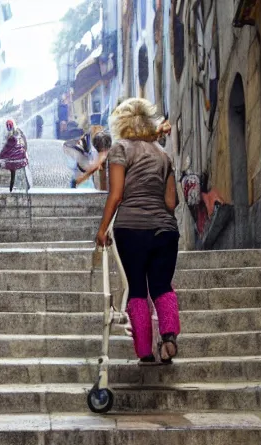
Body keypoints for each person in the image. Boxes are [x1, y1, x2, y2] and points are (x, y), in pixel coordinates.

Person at [95, 98, 180, 365]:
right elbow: (171, 203)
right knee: (162, 285)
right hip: (165, 231)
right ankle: (168, 337)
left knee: (137, 289)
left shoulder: (120, 149)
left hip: (132, 228)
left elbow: (117, 194)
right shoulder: (162, 154)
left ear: (122, 123)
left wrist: (102, 229)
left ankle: (144, 350)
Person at [0, 120, 33, 193]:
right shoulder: (17, 132)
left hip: (17, 157)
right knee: (19, 171)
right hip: (19, 156)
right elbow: (23, 142)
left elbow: (7, 147)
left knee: (15, 172)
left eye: (9, 126)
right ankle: (19, 187)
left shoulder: (13, 135)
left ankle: (15, 188)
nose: (8, 127)